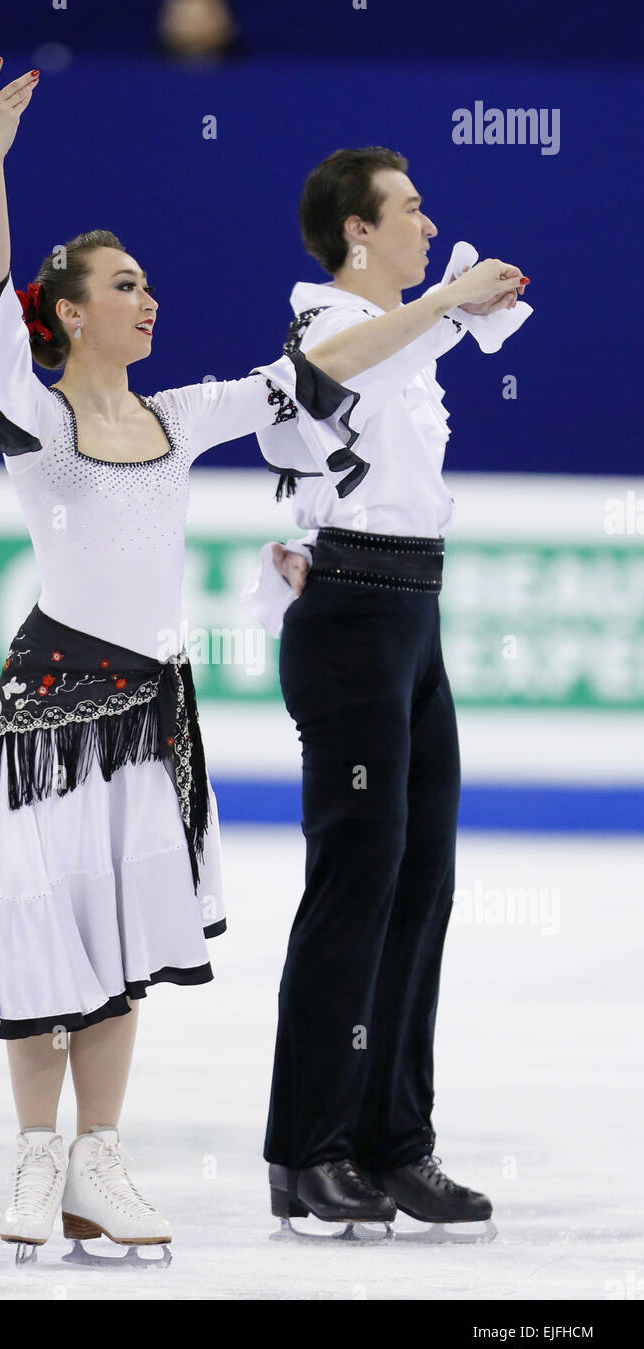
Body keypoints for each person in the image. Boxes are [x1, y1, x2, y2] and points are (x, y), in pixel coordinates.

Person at [0, 68, 515, 1259]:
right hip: (55, 701)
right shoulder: (38, 423)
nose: (146, 298)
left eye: (148, 282)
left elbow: (307, 384)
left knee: (127, 936)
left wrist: (447, 310)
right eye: (122, 286)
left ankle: (99, 1165)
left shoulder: (175, 416)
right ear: (71, 313)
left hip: (152, 704)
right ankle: (37, 1159)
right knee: (51, 929)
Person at [240, 146, 532, 1237]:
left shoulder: (402, 335)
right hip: (349, 619)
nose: (425, 223)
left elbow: (395, 369)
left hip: (412, 616)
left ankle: (391, 1142)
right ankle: (306, 1151)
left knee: (421, 885)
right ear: (356, 232)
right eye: (407, 209)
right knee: (354, 886)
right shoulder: (317, 324)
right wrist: (452, 300)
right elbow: (338, 372)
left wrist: (460, 311)